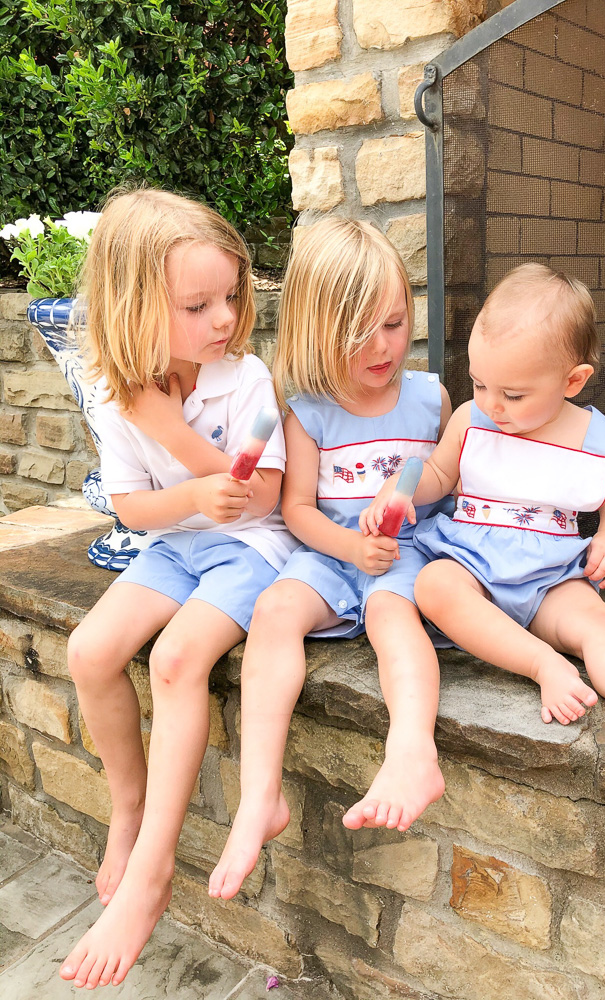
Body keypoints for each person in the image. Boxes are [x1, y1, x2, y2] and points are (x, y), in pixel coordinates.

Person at [59, 188, 295, 990]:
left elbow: (261, 495)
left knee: (175, 662)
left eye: (231, 295)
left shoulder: (247, 379)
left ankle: (152, 874)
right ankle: (127, 810)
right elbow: (130, 507)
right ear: (131, 309)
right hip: (174, 544)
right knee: (89, 652)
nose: (224, 318)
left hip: (250, 550)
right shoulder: (112, 390)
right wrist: (189, 489)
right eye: (198, 305)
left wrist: (181, 443)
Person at [207, 217, 454, 901]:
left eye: (395, 323)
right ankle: (260, 794)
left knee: (390, 616)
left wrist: (398, 520)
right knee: (274, 607)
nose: (383, 346)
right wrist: (349, 546)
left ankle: (412, 750)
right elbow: (297, 510)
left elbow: (452, 479)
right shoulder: (306, 410)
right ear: (318, 331)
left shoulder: (430, 398)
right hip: (331, 550)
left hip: (402, 552)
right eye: (359, 333)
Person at [366, 263, 605, 742]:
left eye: (512, 393)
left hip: (550, 575)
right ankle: (540, 663)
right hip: (473, 562)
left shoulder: (589, 436)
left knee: (597, 624)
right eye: (479, 383)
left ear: (572, 381)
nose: (491, 404)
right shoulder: (472, 420)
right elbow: (442, 475)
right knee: (434, 585)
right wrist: (401, 488)